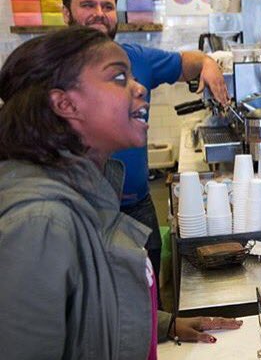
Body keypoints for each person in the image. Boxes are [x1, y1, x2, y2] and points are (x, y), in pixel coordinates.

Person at [0, 27, 242, 359]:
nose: (139, 87)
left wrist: (162, 324)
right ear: (65, 103)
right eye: (118, 78)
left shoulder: (88, 193)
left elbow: (84, 312)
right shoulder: (39, 224)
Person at [62, 0, 230, 301]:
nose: (99, 13)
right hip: (80, 211)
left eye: (107, 6)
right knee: (93, 302)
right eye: (88, 5)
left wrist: (208, 63)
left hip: (136, 205)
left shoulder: (137, 58)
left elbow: (187, 62)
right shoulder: (49, 68)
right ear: (66, 13)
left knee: (147, 297)